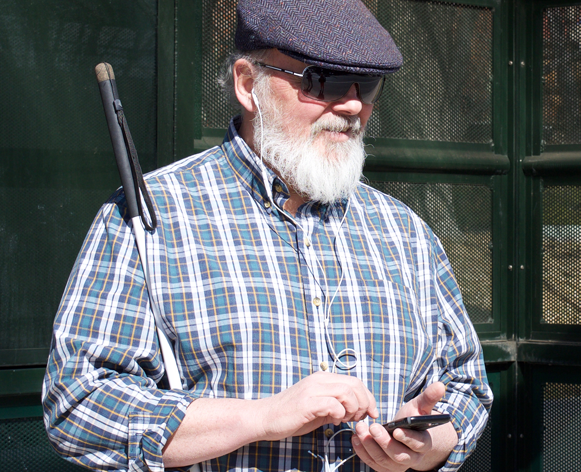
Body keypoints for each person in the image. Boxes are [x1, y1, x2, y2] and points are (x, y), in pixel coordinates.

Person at [41, 0, 491, 471]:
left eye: (368, 85)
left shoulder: (404, 232)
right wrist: (260, 418)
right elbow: (79, 404)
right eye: (324, 81)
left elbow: (466, 390)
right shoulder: (153, 217)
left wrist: (426, 443)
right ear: (247, 83)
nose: (353, 105)